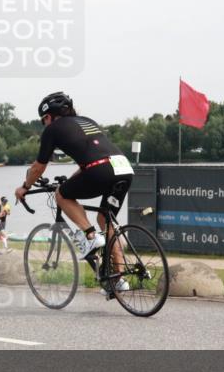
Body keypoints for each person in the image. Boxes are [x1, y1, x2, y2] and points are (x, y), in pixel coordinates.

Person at [14, 92, 135, 297]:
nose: (44, 124)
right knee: (106, 219)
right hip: (123, 169)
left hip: (100, 170)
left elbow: (38, 167)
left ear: (49, 116)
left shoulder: (52, 130)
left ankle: (90, 235)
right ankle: (119, 278)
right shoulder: (87, 121)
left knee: (61, 195)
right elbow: (90, 159)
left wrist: (24, 187)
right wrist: (74, 179)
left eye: (44, 120)